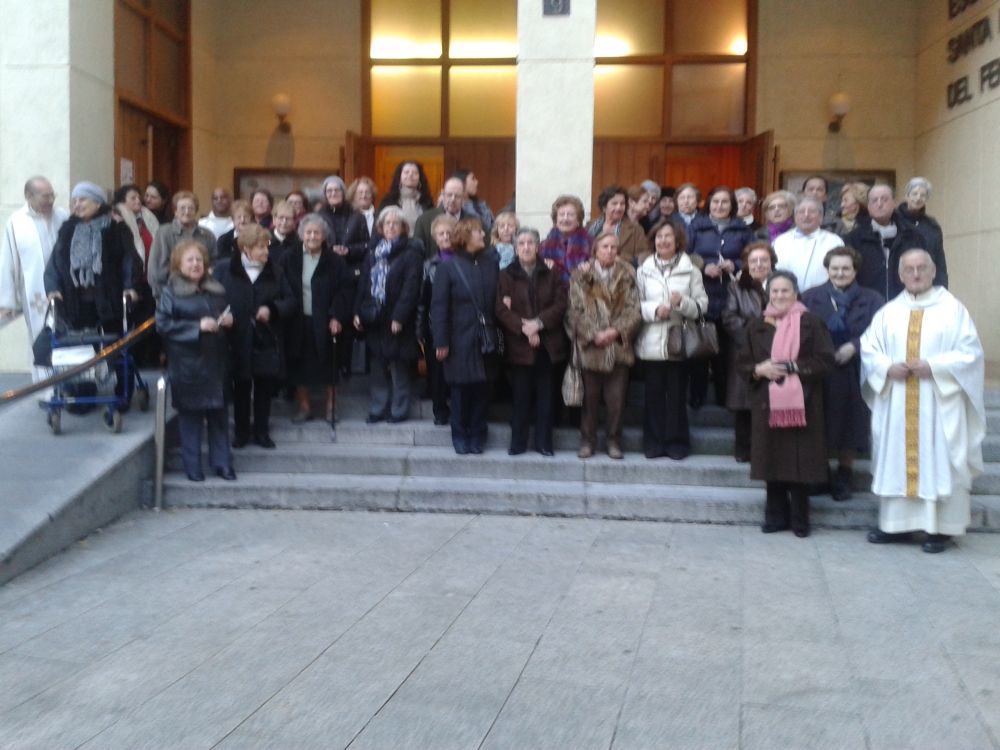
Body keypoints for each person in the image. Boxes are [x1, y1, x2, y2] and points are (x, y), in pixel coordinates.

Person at [860, 249, 985, 554]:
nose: (915, 275)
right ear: (900, 275)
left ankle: (940, 528)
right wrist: (887, 367)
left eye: (921, 268)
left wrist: (936, 367)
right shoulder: (888, 312)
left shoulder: (953, 309)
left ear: (933, 272)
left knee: (939, 457)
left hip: (938, 401)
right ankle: (896, 526)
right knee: (896, 459)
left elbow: (971, 354)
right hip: (898, 400)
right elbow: (869, 349)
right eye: (909, 269)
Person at [740, 270, 834, 538]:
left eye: (785, 291)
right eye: (775, 291)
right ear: (768, 294)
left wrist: (793, 367)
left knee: (800, 464)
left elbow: (826, 361)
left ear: (795, 294)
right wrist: (759, 370)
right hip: (767, 402)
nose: (780, 296)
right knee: (772, 461)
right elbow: (742, 362)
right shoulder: (756, 324)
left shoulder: (812, 323)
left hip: (803, 402)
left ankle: (800, 518)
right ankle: (774, 516)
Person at [802, 246, 884, 500]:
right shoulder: (810, 296)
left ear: (855, 270)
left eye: (845, 268)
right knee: (820, 419)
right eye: (835, 268)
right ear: (827, 269)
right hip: (820, 369)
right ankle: (821, 472)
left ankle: (845, 473)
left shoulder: (873, 299)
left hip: (855, 368)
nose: (840, 273)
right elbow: (801, 329)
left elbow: (880, 331)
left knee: (850, 422)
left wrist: (854, 346)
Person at [155, 240, 235, 482]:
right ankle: (193, 467)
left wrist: (229, 321)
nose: (195, 264)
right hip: (188, 364)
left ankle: (222, 464)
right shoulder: (170, 292)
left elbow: (224, 317)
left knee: (219, 417)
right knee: (190, 420)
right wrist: (196, 327)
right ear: (179, 264)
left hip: (216, 363)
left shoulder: (216, 289)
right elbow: (163, 324)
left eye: (199, 260)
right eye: (189, 260)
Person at [214, 223, 295, 449]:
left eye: (267, 246)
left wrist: (272, 309)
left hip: (265, 341)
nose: (266, 252)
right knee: (240, 386)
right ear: (246, 249)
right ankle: (241, 432)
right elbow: (210, 298)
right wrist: (222, 315)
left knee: (264, 388)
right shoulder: (224, 269)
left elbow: (290, 301)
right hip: (235, 339)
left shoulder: (275, 271)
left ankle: (261, 431)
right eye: (260, 247)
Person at [635, 221, 707, 460]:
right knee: (653, 396)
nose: (663, 241)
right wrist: (655, 310)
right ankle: (653, 443)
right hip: (652, 340)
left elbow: (702, 306)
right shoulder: (643, 270)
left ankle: (677, 444)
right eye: (658, 237)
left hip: (679, 340)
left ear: (677, 241)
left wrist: (682, 303)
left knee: (676, 396)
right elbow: (635, 304)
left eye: (668, 236)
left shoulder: (692, 270)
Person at [568, 231, 641, 460]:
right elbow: (574, 310)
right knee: (589, 400)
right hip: (592, 347)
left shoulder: (628, 275)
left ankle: (613, 441)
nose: (609, 251)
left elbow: (634, 309)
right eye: (605, 247)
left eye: (613, 247)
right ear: (595, 250)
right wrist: (593, 334)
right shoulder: (581, 275)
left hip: (617, 346)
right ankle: (587, 441)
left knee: (616, 401)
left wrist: (615, 331)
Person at [496, 227, 568, 456]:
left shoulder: (550, 271)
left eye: (530, 243)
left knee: (546, 397)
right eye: (521, 243)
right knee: (521, 396)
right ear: (516, 248)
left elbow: (560, 304)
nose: (526, 247)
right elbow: (501, 309)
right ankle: (518, 442)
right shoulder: (506, 274)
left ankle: (544, 443)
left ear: (538, 247)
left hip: (548, 344)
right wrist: (524, 328)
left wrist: (538, 324)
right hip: (519, 345)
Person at [431, 216, 500, 454]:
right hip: (458, 338)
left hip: (485, 337)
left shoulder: (491, 264)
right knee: (460, 390)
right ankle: (459, 434)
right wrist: (441, 341)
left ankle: (478, 434)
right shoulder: (447, 267)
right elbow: (439, 308)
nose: (483, 235)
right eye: (479, 232)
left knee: (482, 388)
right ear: (466, 236)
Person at [280, 214, 351, 430]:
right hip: (297, 320)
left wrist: (337, 316)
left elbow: (344, 290)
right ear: (301, 234)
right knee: (299, 364)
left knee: (329, 364)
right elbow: (282, 286)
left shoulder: (335, 261)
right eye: (308, 232)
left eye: (317, 232)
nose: (312, 236)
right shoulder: (288, 257)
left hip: (325, 321)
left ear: (324, 236)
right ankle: (304, 406)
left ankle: (331, 406)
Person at [44, 181, 138, 341]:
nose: (77, 204)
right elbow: (55, 261)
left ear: (97, 202)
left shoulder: (115, 228)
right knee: (79, 347)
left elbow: (130, 259)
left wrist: (130, 286)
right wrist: (53, 288)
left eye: (82, 200)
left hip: (108, 299)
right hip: (74, 301)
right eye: (75, 201)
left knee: (110, 346)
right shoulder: (67, 230)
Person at [355, 206, 423, 424]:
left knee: (398, 365)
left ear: (403, 228)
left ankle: (399, 409)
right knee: (377, 365)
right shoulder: (373, 252)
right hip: (374, 316)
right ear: (380, 228)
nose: (391, 227)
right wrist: (357, 311)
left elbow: (411, 288)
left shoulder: (411, 253)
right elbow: (363, 283)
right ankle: (377, 408)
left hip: (397, 318)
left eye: (396, 223)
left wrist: (399, 317)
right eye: (387, 223)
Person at [687, 185, 752, 408]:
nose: (720, 206)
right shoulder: (697, 227)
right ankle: (697, 396)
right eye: (715, 202)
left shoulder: (742, 229)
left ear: (732, 205)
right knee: (700, 347)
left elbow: (753, 256)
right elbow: (685, 255)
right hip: (702, 292)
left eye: (725, 202)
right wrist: (703, 266)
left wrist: (735, 264)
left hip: (730, 295)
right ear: (708, 205)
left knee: (725, 350)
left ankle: (724, 397)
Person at [0, 176, 69, 378]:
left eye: (52, 195)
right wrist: (7, 300)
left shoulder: (62, 216)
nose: (51, 201)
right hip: (35, 293)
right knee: (41, 337)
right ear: (29, 196)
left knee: (67, 336)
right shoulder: (16, 223)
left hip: (64, 290)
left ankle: (71, 383)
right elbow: (8, 262)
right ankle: (45, 385)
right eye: (45, 196)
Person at [722, 241, 776, 463]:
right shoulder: (736, 287)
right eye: (754, 261)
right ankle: (743, 448)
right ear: (746, 264)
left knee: (770, 404)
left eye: (764, 260)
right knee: (745, 405)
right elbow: (730, 318)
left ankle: (766, 450)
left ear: (772, 264)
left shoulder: (782, 285)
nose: (759, 264)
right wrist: (757, 336)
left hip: (777, 351)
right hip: (746, 352)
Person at [319, 175, 368, 379]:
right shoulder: (319, 216)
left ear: (343, 192)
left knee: (347, 319)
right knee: (328, 319)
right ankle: (329, 365)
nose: (333, 194)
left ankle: (346, 365)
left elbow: (366, 245)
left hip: (350, 273)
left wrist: (347, 250)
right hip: (326, 273)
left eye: (336, 190)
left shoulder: (357, 215)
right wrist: (330, 250)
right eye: (329, 191)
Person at [845, 184, 928, 300]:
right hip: (868, 308)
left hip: (907, 304)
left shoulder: (913, 237)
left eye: (884, 199)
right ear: (868, 206)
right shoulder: (853, 239)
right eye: (874, 200)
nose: (879, 204)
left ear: (894, 203)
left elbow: (927, 272)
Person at [113, 183, 161, 367]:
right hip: (131, 282)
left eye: (138, 197)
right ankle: (135, 362)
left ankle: (150, 360)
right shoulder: (118, 221)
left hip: (150, 280)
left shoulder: (147, 218)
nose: (138, 200)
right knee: (134, 325)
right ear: (122, 201)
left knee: (150, 323)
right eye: (132, 198)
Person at [417, 215, 457, 426]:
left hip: (460, 324)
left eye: (449, 232)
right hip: (435, 325)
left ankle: (457, 408)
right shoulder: (428, 265)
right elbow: (422, 301)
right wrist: (420, 330)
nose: (446, 236)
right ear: (435, 238)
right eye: (441, 233)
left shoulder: (465, 260)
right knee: (437, 371)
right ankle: (440, 410)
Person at [148, 191, 216, 299]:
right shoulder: (164, 233)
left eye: (191, 208)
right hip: (171, 294)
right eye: (182, 208)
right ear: (175, 211)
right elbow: (156, 270)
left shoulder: (207, 235)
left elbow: (214, 264)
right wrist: (163, 295)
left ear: (196, 211)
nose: (187, 212)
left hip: (202, 294)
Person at [773, 196, 845, 292]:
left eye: (812, 211)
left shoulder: (834, 241)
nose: (806, 215)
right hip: (785, 299)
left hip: (822, 299)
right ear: (795, 216)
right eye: (801, 211)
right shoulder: (780, 241)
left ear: (821, 217)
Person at [896, 177, 948, 290]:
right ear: (907, 196)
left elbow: (939, 260)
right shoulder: (894, 220)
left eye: (923, 195)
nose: (918, 198)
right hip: (899, 284)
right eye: (914, 194)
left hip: (927, 284)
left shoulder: (932, 226)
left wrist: (942, 288)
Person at [586, 185, 649, 267]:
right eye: (614, 203)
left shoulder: (635, 229)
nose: (619, 208)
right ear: (604, 206)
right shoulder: (590, 226)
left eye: (622, 204)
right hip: (592, 273)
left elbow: (643, 257)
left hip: (621, 274)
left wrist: (620, 259)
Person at [413, 176, 469, 260]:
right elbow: (416, 252)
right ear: (443, 195)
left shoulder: (472, 221)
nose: (452, 199)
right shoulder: (424, 220)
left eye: (457, 196)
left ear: (464, 198)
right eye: (449, 195)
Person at [540, 195, 591, 285]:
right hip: (553, 295)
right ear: (556, 220)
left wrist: (589, 270)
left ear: (578, 220)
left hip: (582, 294)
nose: (565, 218)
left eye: (570, 215)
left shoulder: (591, 243)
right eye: (561, 214)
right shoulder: (544, 246)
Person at [378, 160, 435, 230]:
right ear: (399, 177)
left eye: (415, 173)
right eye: (406, 172)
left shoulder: (427, 202)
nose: (410, 175)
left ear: (420, 179)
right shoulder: (388, 201)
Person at [215, 199, 253, 268]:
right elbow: (220, 262)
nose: (242, 220)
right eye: (239, 217)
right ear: (233, 219)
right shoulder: (223, 240)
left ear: (251, 218)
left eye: (246, 217)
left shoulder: (259, 237)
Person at [454, 169, 494, 233]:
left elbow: (492, 226)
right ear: (462, 182)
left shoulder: (482, 205)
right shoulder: (453, 208)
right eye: (473, 179)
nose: (477, 182)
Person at [268, 200, 300, 269]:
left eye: (288, 218)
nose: (284, 222)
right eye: (281, 218)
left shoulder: (299, 242)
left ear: (294, 221)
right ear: (274, 219)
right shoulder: (264, 239)